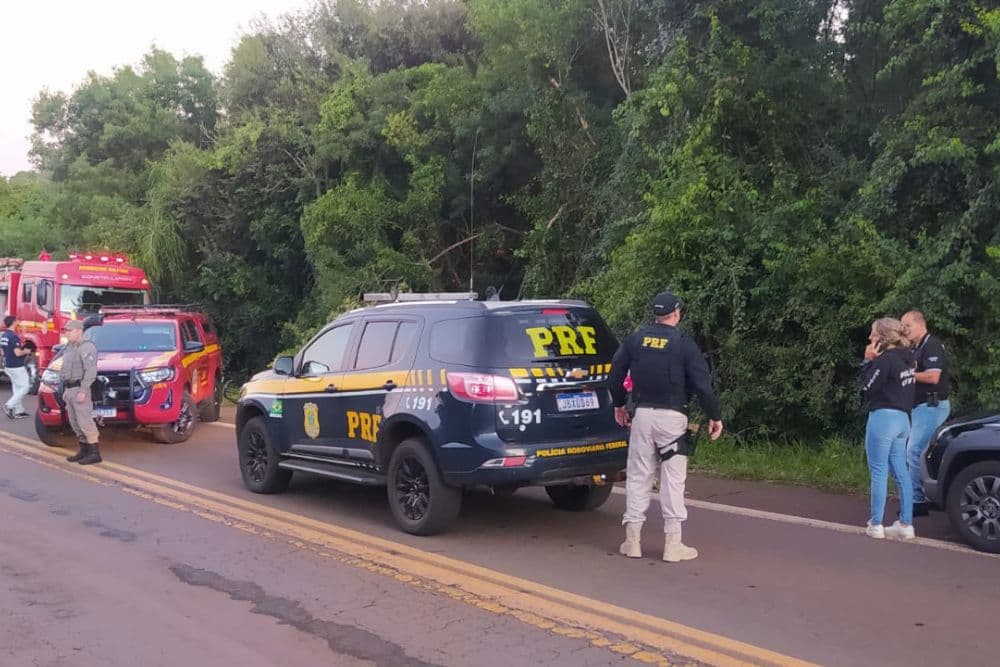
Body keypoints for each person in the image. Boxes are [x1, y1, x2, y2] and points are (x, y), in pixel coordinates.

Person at [609, 290, 723, 562]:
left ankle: (632, 541)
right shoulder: (684, 344)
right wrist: (714, 416)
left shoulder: (636, 340)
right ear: (677, 313)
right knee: (673, 480)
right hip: (673, 418)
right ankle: (673, 544)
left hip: (643, 416)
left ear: (656, 315)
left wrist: (619, 404)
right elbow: (702, 385)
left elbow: (615, 373)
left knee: (639, 476)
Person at [860, 318, 916, 540]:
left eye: (873, 334)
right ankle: (906, 524)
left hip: (884, 418)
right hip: (903, 419)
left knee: (879, 471)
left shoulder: (886, 360)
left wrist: (867, 361)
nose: (870, 338)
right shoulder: (909, 359)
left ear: (882, 338)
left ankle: (876, 524)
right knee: (901, 471)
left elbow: (867, 388)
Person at [900, 310, 951, 516]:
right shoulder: (917, 347)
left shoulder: (931, 345)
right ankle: (922, 495)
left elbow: (932, 377)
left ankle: (917, 502)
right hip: (920, 408)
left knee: (913, 450)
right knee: (916, 451)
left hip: (931, 406)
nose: (904, 330)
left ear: (921, 324)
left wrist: (906, 374)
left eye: (907, 326)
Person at [59, 320, 102, 465]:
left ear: (78, 330)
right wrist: (66, 389)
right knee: (74, 422)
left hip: (80, 389)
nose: (66, 333)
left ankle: (94, 453)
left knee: (85, 422)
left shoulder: (87, 347)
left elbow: (90, 371)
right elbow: (66, 369)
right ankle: (84, 450)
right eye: (66, 331)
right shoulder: (69, 347)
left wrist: (83, 391)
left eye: (69, 331)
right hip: (70, 388)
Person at [1, 316, 31, 419]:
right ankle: (9, 405)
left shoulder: (4, 335)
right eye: (17, 320)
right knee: (26, 386)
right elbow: (18, 353)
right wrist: (26, 352)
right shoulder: (13, 336)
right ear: (14, 322)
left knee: (17, 387)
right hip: (17, 365)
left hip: (8, 365)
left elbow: (2, 351)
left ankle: (19, 411)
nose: (18, 321)